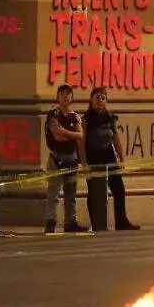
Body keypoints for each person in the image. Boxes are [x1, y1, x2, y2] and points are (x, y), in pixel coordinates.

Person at [83, 87, 139, 232]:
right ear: (91, 100)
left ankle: (121, 222)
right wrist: (84, 162)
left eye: (103, 98)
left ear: (106, 101)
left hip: (109, 157)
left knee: (119, 189)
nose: (100, 100)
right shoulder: (86, 118)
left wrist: (122, 158)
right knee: (94, 192)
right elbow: (81, 142)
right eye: (97, 97)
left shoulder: (110, 117)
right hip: (93, 158)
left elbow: (115, 138)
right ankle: (97, 223)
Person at [44, 85, 89, 234]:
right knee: (53, 194)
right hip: (56, 159)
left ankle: (70, 222)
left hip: (72, 159)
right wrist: (70, 134)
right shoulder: (53, 115)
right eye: (62, 94)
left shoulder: (74, 116)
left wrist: (65, 132)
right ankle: (51, 222)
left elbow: (80, 136)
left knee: (71, 195)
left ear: (72, 97)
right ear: (57, 97)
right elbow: (56, 135)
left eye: (68, 94)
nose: (65, 97)